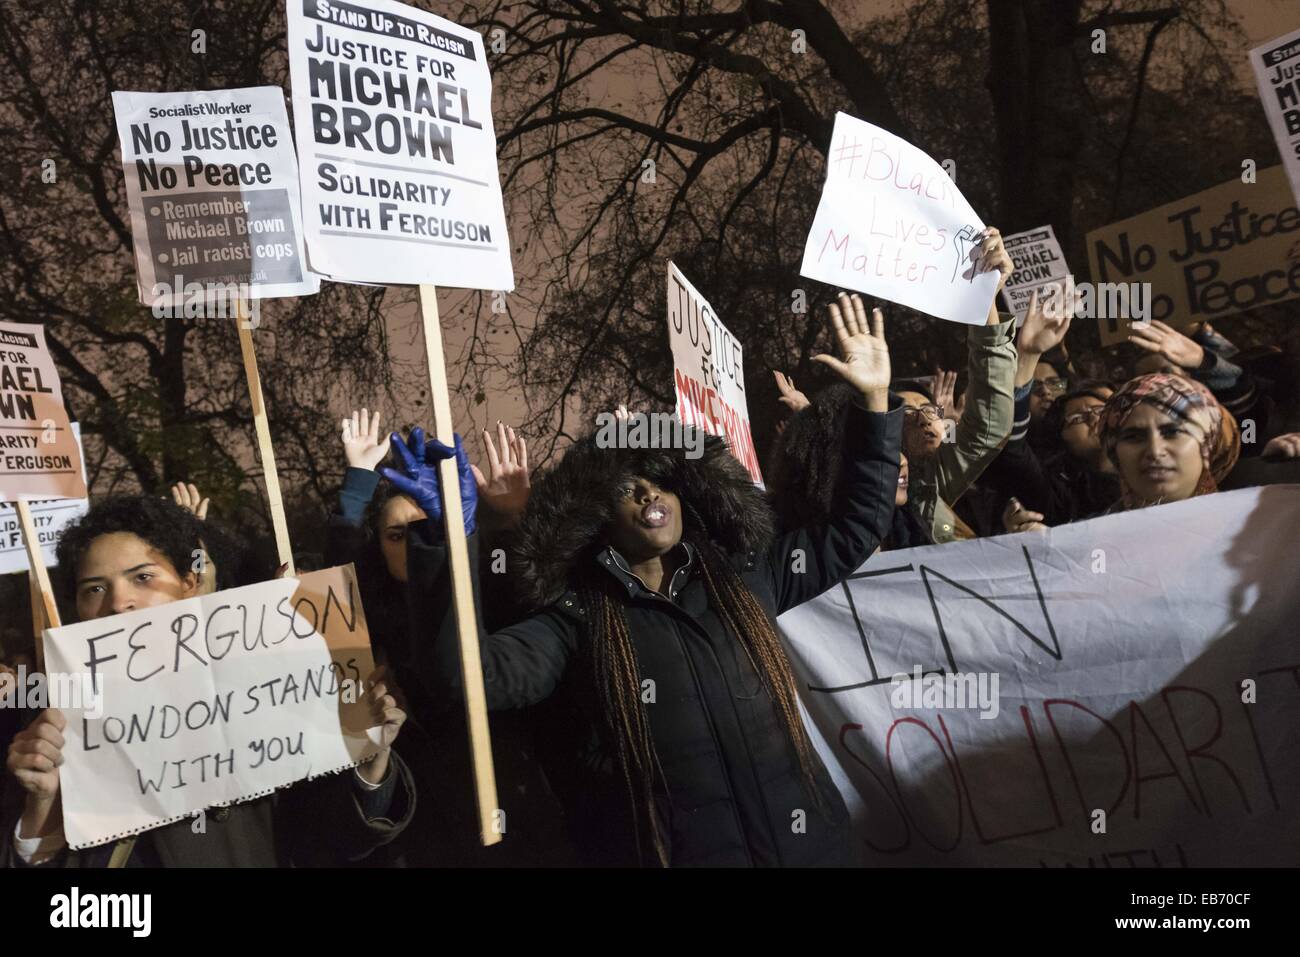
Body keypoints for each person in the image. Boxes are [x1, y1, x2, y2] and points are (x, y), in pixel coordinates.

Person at [393, 294, 902, 866]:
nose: (646, 492)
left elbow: (857, 526)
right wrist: (444, 543)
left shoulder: (747, 578)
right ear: (595, 519)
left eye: (658, 480)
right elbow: (466, 677)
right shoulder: (576, 621)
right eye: (624, 487)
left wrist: (875, 404)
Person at [2, 495, 414, 867]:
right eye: (94, 588)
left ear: (189, 583)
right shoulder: (51, 729)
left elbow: (329, 840)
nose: (117, 602)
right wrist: (43, 808)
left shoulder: (261, 693)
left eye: (142, 577)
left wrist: (368, 755)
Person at [327, 409, 569, 866]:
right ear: (378, 547)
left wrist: (511, 518)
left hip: (521, 811)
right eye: (399, 535)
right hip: (433, 831)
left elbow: (530, 593)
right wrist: (357, 482)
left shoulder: (487, 598)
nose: (416, 544)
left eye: (429, 527)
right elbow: (337, 583)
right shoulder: (370, 626)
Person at [891, 227, 1017, 543]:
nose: (922, 418)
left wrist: (985, 296)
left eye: (926, 409)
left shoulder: (934, 480)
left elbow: (991, 419)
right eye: (905, 414)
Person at [1095, 373, 1240, 511]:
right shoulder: (1091, 535)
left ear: (1207, 443)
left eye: (1172, 433)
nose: (1155, 451)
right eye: (1133, 437)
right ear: (1114, 453)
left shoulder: (1253, 523)